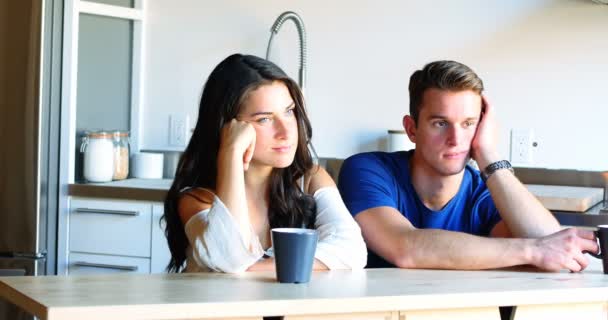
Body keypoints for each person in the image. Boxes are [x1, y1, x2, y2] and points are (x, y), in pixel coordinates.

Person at [338, 60, 598, 272]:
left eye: (468, 123)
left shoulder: (483, 192)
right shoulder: (367, 171)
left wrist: (489, 156)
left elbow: (549, 242)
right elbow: (405, 247)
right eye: (440, 123)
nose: (456, 140)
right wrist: (531, 250)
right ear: (411, 128)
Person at [163, 53, 367, 273]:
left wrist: (252, 269)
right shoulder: (196, 199)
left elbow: (353, 251)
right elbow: (229, 260)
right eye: (264, 119)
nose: (286, 131)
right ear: (229, 127)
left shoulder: (309, 179)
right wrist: (230, 152)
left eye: (289, 112)